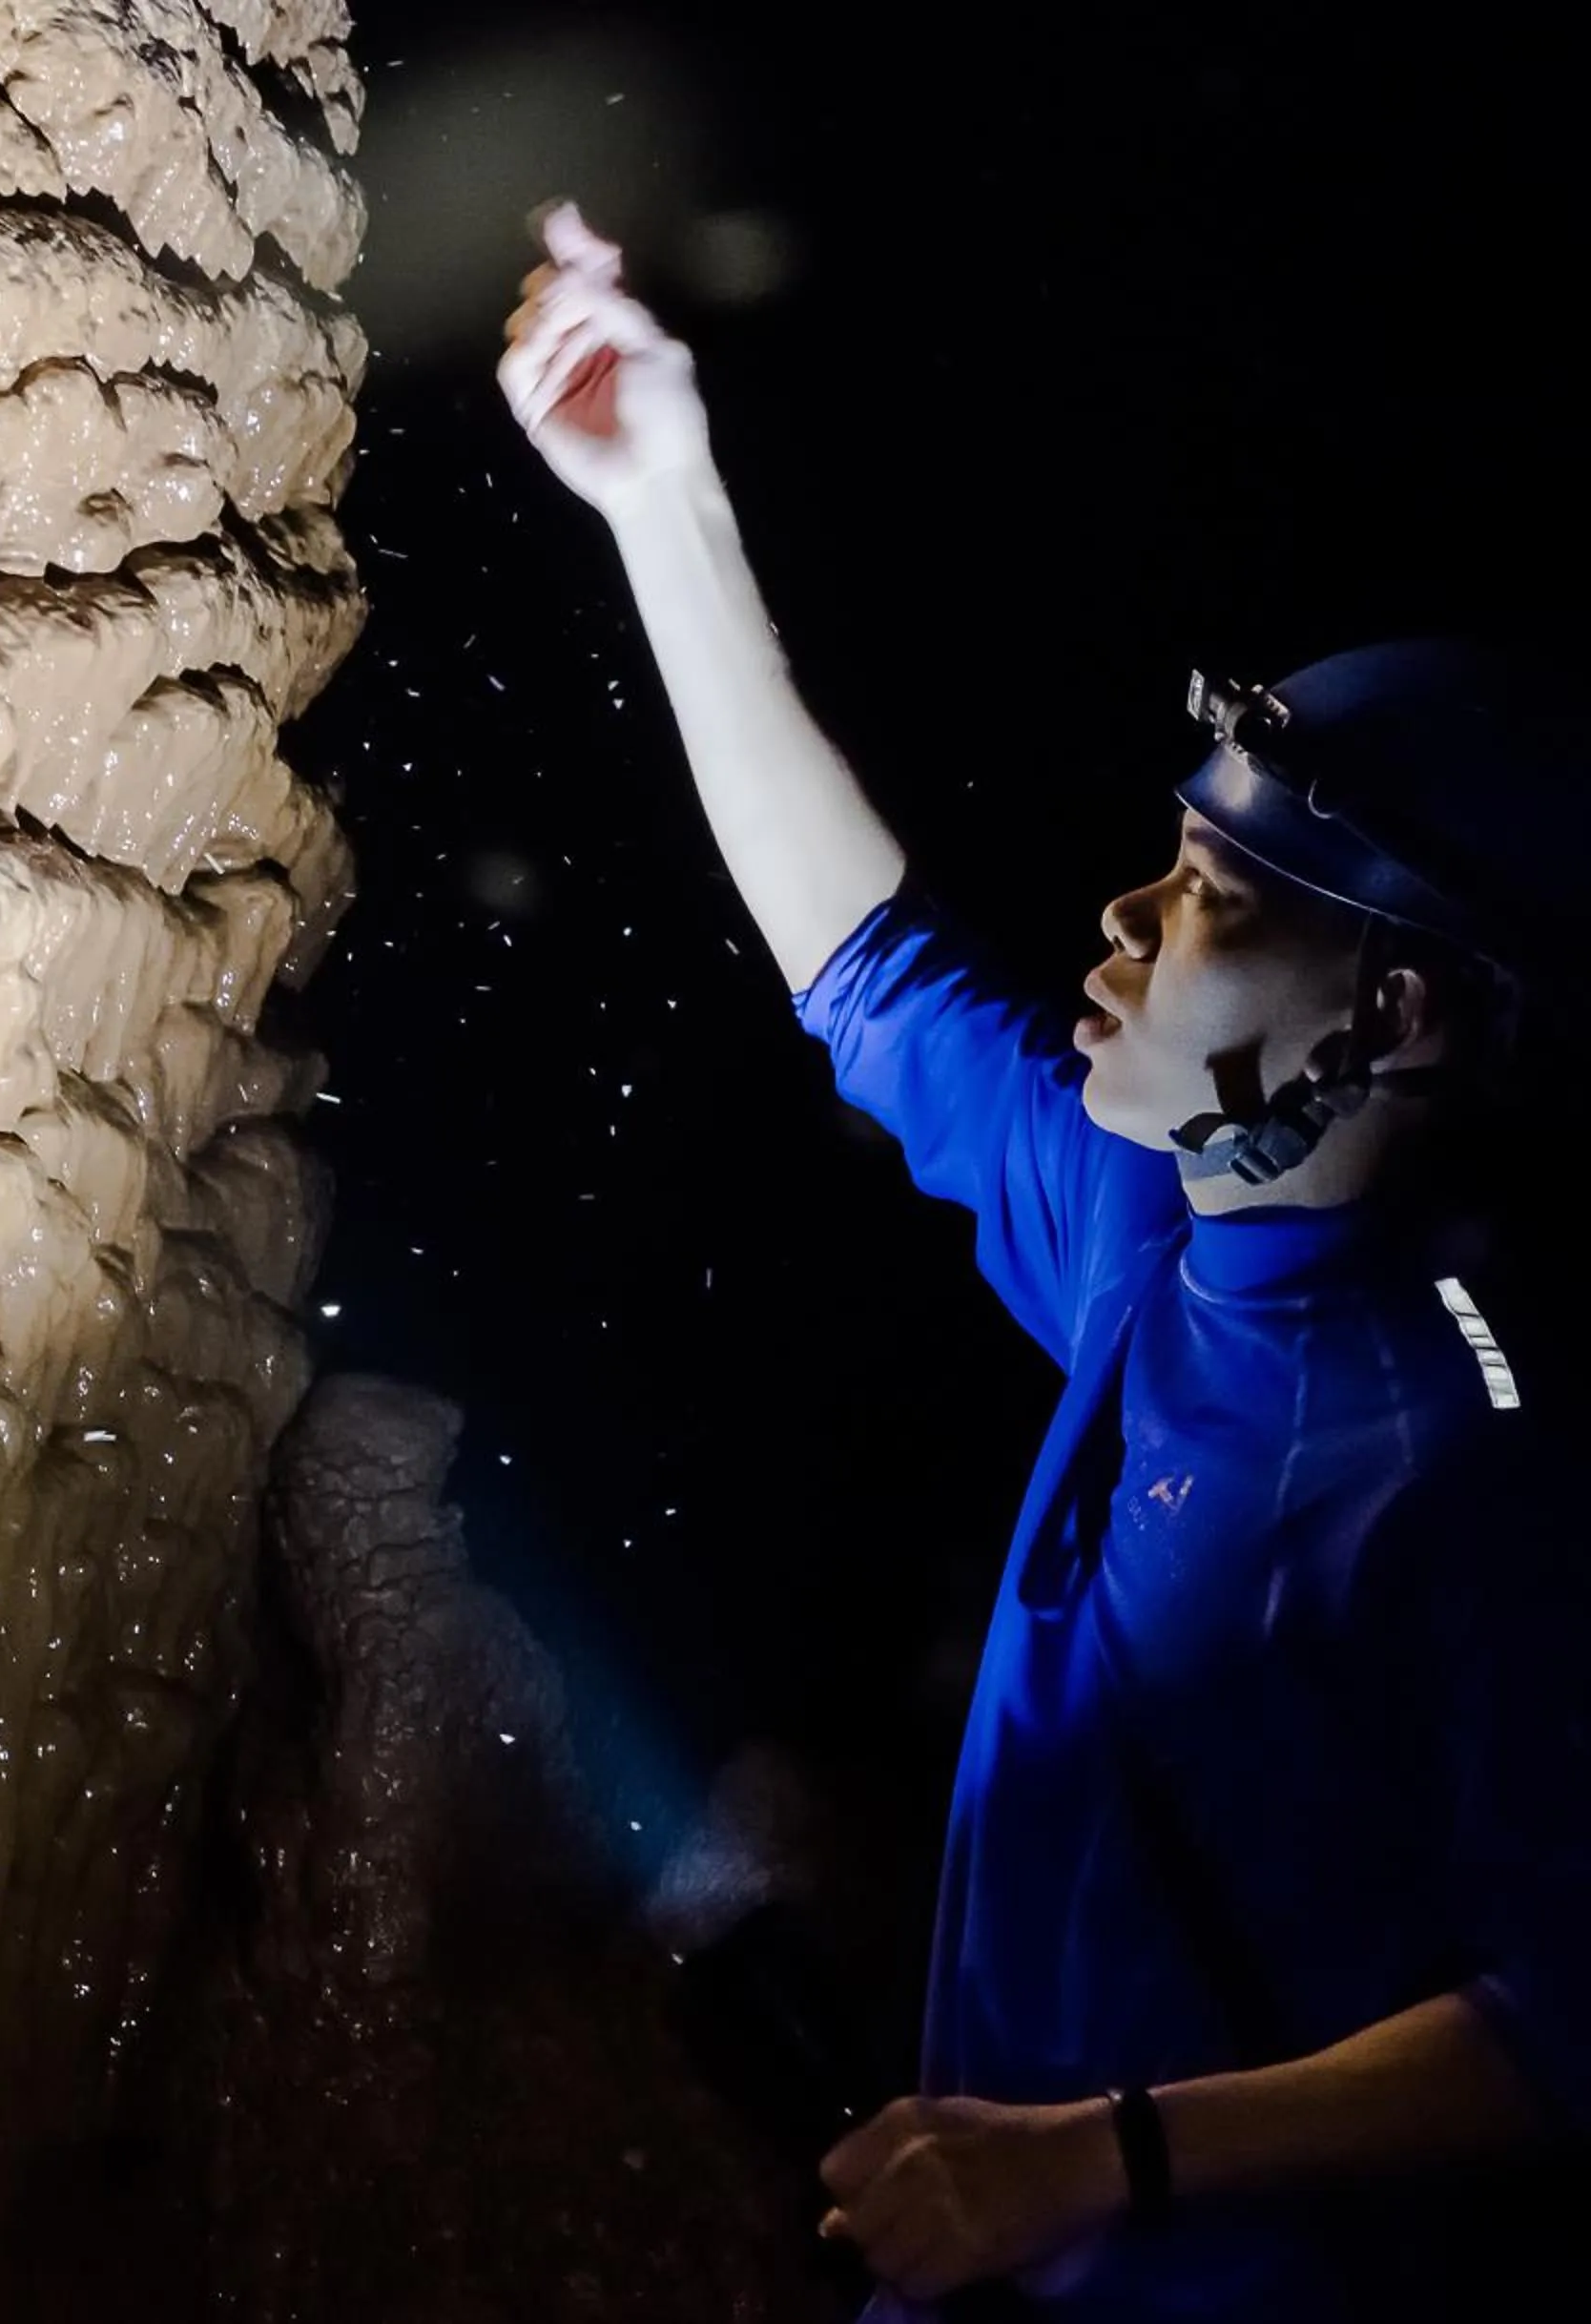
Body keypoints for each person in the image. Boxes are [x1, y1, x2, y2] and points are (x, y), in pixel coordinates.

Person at [498, 200, 1591, 2319]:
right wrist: (665, 502)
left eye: (1211, 895)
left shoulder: (1481, 1455)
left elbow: (1566, 2017)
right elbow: (864, 962)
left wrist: (1106, 2162)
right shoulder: (1152, 1241)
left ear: (1405, 1014)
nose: (1124, 924)